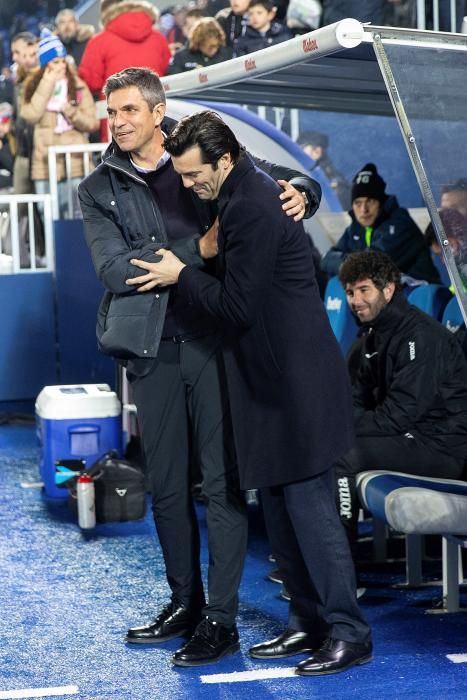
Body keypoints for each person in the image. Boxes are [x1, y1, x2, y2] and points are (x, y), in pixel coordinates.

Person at [78, 67, 322, 669]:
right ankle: (183, 604)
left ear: (159, 113)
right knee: (165, 486)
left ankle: (222, 620)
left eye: (130, 110)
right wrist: (200, 252)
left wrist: (307, 191)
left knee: (220, 485)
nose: (120, 122)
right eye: (112, 113)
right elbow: (115, 272)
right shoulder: (97, 187)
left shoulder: (201, 149)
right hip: (151, 347)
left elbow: (274, 180)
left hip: (213, 341)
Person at [133, 109, 372, 676]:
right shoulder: (234, 192)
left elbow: (238, 307)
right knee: (283, 512)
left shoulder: (253, 203)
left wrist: (181, 274)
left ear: (225, 159)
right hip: (266, 380)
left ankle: (349, 632)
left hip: (297, 381)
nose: (190, 187)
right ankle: (308, 623)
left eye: (195, 177)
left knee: (312, 511)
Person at [335, 250, 467, 551]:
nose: (356, 301)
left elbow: (398, 416)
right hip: (411, 437)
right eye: (350, 292)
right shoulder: (372, 335)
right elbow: (356, 398)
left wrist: (341, 427)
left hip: (444, 447)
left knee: (340, 453)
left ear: (389, 288)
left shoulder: (420, 335)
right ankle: (321, 559)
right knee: (325, 443)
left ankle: (339, 568)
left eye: (364, 290)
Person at [20, 29, 99, 218]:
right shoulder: (32, 85)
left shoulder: (78, 85)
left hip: (76, 162)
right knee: (49, 215)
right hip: (45, 163)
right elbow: (30, 115)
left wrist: (69, 111)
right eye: (55, 62)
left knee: (79, 214)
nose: (61, 66)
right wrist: (48, 83)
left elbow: (92, 123)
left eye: (63, 60)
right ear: (45, 65)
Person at [321, 163, 440, 283]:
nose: (364, 209)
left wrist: (345, 263)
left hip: (422, 296)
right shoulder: (355, 228)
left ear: (381, 203)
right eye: (358, 203)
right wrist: (351, 264)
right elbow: (326, 259)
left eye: (370, 201)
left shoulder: (400, 223)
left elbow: (371, 265)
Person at [79, 0, 171, 140]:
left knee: (117, 159)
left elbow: (92, 82)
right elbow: (167, 71)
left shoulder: (99, 41)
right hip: (153, 113)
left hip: (117, 119)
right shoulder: (159, 38)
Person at [297, 129, 351, 210]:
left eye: (302, 147)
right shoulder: (302, 171)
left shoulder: (330, 178)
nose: (298, 151)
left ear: (317, 151)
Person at [166, 17, 232, 75]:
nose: (213, 51)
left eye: (215, 46)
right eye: (209, 47)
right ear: (198, 43)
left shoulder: (228, 55)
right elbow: (172, 79)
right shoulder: (181, 57)